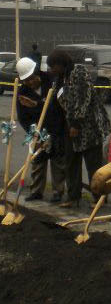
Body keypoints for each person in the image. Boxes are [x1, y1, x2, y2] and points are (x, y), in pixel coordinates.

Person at [47, 49, 110, 209]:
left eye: (53, 66)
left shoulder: (79, 72)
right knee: (71, 164)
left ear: (61, 64)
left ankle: (99, 197)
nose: (51, 70)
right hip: (69, 128)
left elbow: (83, 98)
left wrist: (75, 123)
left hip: (88, 127)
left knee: (93, 165)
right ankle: (73, 196)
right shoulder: (61, 78)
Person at [15, 57, 66, 203]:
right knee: (37, 161)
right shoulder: (22, 92)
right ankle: (36, 191)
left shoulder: (51, 81)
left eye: (32, 78)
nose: (30, 82)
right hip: (37, 131)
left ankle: (58, 192)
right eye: (27, 80)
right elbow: (23, 118)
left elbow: (56, 107)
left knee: (58, 161)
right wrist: (35, 134)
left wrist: (37, 104)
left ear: (37, 72)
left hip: (56, 127)